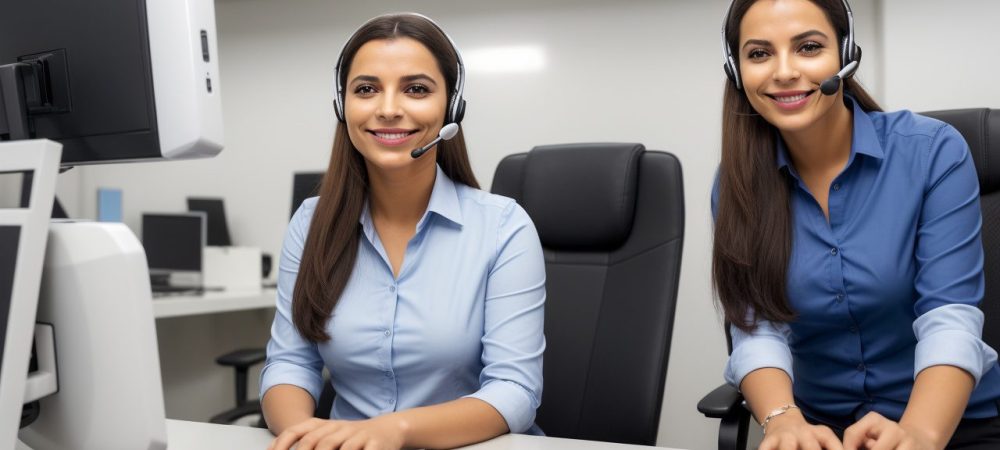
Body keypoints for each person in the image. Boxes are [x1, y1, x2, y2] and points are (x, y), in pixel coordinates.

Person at [712, 0, 1000, 449]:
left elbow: (950, 318)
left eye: (808, 47)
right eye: (759, 53)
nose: (784, 71)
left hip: (952, 427)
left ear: (845, 54)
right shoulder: (738, 184)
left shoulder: (932, 153)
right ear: (736, 70)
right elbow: (757, 326)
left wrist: (919, 433)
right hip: (821, 433)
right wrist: (782, 419)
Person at [259, 13, 546, 450]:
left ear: (452, 108)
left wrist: (393, 430)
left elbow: (515, 390)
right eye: (366, 89)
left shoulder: (504, 227)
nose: (388, 108)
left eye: (416, 89)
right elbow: (290, 365)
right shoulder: (311, 223)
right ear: (343, 106)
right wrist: (305, 434)